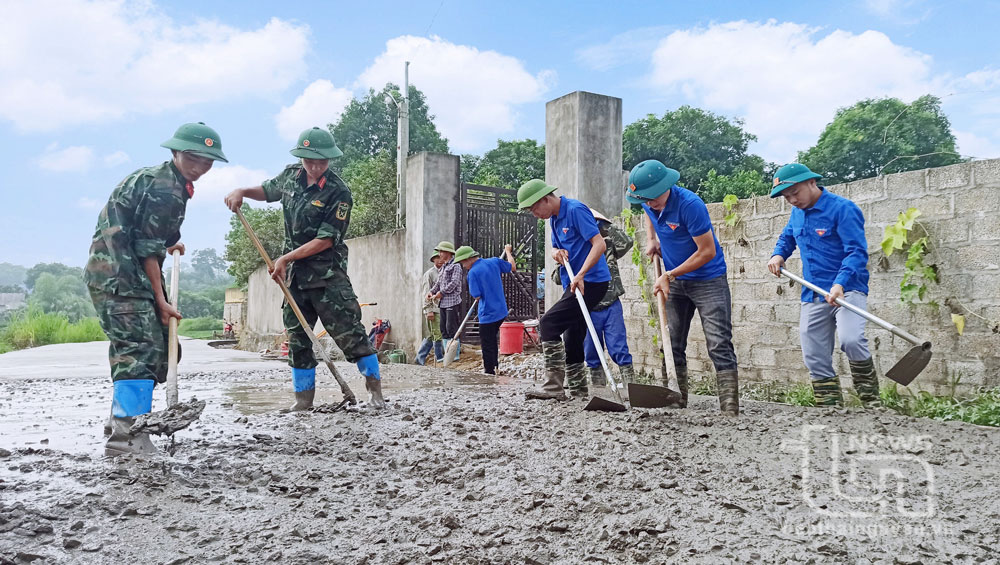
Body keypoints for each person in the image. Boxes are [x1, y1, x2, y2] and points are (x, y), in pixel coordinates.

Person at [86, 121, 228, 456]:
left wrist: (171, 242)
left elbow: (145, 228)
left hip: (121, 274)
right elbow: (148, 247)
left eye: (207, 161)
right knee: (139, 352)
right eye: (193, 158)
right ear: (176, 152)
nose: (200, 166)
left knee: (152, 349)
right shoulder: (167, 189)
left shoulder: (164, 180)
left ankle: (121, 422)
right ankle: (127, 438)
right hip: (122, 278)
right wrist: (161, 300)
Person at [224, 127, 384, 410]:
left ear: (330, 160)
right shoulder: (290, 176)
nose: (315, 166)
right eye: (310, 160)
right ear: (302, 158)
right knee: (298, 339)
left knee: (351, 335)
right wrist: (242, 192)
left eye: (322, 161)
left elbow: (325, 239)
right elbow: (267, 190)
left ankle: (375, 394)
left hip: (327, 277)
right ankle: (303, 403)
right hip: (295, 280)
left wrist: (285, 258)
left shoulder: (339, 192)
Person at [629, 159, 739, 415]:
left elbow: (707, 251)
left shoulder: (691, 205)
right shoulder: (649, 203)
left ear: (664, 187)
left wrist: (670, 273)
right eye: (643, 200)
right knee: (672, 341)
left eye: (651, 199)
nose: (648, 204)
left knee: (718, 343)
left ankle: (730, 409)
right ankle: (675, 400)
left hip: (708, 280)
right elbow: (649, 216)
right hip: (675, 281)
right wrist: (652, 240)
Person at [766, 163, 879, 407]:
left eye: (795, 193)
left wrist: (840, 283)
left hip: (847, 289)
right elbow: (787, 237)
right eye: (786, 197)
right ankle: (829, 408)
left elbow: (856, 253)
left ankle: (872, 403)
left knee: (851, 340)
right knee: (813, 353)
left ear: (812, 183)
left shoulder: (843, 209)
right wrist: (778, 254)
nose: (792, 200)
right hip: (813, 292)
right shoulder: (797, 213)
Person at [518, 179, 611, 400]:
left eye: (534, 208)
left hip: (592, 281)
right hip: (573, 281)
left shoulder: (576, 210)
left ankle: (553, 387)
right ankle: (579, 390)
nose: (534, 214)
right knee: (573, 334)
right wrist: (555, 254)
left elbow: (599, 244)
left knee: (548, 324)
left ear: (546, 199)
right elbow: (555, 248)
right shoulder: (554, 219)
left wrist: (581, 274)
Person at [581, 210, 636, 387]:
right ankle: (599, 390)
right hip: (589, 308)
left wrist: (605, 225)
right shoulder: (577, 249)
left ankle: (631, 388)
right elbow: (556, 276)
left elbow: (627, 242)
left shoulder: (608, 246)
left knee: (619, 347)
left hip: (611, 305)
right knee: (592, 351)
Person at [455, 244, 515, 375]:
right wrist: (508, 252)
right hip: (501, 311)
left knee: (487, 344)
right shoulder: (494, 261)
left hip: (487, 314)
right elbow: (512, 266)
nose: (463, 266)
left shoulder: (473, 273)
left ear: (468, 259)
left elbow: (476, 295)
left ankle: (489, 372)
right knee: (492, 339)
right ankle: (495, 366)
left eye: (462, 262)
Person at [427, 241, 463, 361]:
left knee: (451, 327)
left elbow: (454, 283)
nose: (440, 254)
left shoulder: (456, 266)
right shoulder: (443, 267)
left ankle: (455, 355)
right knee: (443, 328)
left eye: (441, 251)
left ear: (448, 252)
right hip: (443, 303)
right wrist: (431, 292)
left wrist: (441, 293)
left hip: (452, 301)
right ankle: (448, 354)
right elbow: (438, 283)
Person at [416, 251, 445, 365]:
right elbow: (426, 293)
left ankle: (420, 357)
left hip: (442, 307)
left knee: (433, 333)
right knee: (437, 333)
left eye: (441, 258)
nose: (440, 260)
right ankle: (439, 358)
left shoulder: (445, 272)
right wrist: (428, 310)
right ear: (433, 260)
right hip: (433, 308)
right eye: (437, 258)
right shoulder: (429, 274)